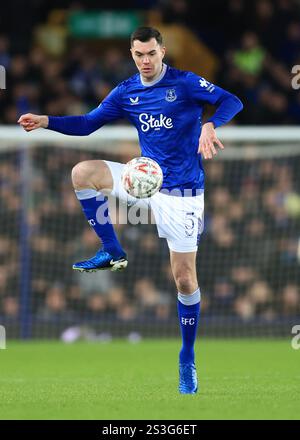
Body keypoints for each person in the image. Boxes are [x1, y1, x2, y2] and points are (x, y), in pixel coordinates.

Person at [18, 26, 243, 394]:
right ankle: (112, 249)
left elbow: (232, 100)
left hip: (183, 193)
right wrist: (47, 122)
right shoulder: (127, 92)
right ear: (132, 54)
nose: (145, 61)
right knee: (82, 173)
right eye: (139, 55)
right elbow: (88, 124)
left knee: (184, 279)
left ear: (162, 52)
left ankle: (187, 358)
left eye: (151, 53)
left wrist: (209, 123)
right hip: (145, 180)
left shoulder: (185, 84)